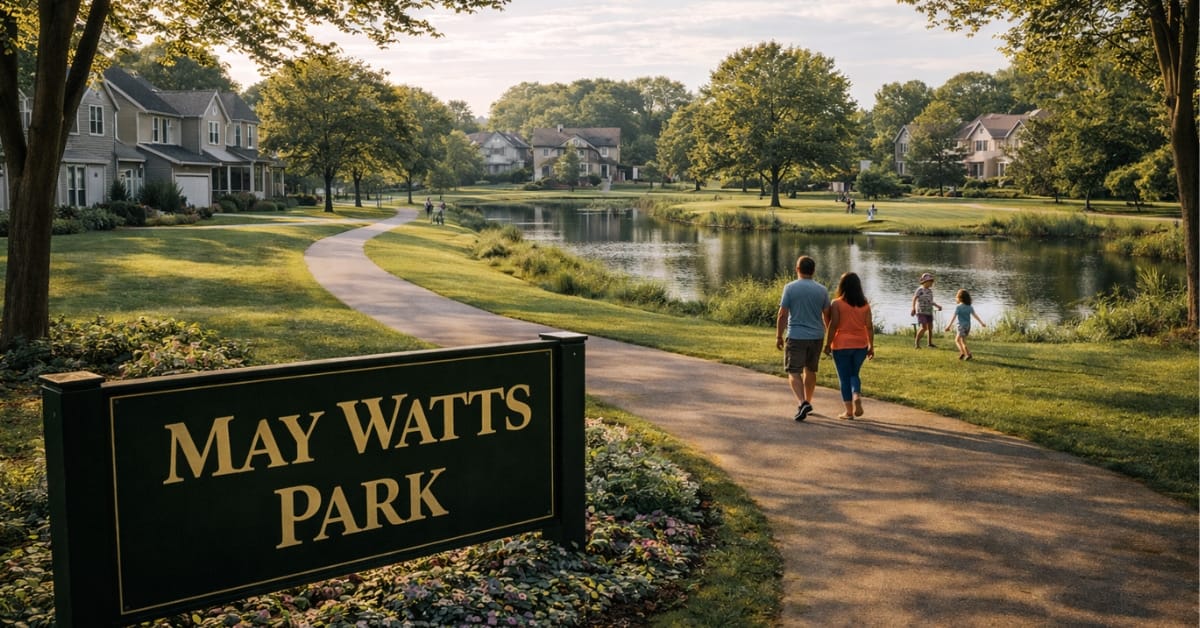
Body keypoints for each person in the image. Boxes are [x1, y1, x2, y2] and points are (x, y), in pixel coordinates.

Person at [776, 256, 831, 422]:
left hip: (796, 335)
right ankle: (808, 401)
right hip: (817, 336)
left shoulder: (790, 288)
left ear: (797, 269)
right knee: (810, 370)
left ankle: (802, 402)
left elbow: (782, 314)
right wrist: (830, 338)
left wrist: (779, 335)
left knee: (793, 371)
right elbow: (827, 315)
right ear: (813, 270)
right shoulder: (822, 290)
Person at [824, 272, 874, 419]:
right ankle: (856, 395)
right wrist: (871, 346)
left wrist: (827, 344)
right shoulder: (865, 303)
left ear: (842, 286)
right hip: (860, 344)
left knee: (844, 378)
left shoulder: (837, 303)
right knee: (854, 374)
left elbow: (834, 325)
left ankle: (849, 412)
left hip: (841, 344)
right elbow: (869, 327)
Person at [946, 289, 986, 360]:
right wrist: (981, 323)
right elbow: (975, 315)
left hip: (961, 326)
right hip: (968, 326)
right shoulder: (970, 307)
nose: (956, 299)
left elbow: (953, 317)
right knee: (958, 340)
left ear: (960, 298)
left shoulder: (958, 307)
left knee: (961, 341)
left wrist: (949, 326)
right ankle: (962, 353)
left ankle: (967, 354)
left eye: (957, 297)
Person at [910, 272, 942, 348]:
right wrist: (913, 308)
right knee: (924, 327)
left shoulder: (930, 291)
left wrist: (937, 306)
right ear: (925, 281)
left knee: (930, 328)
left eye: (932, 282)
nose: (931, 283)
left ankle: (930, 343)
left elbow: (930, 301)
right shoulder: (920, 290)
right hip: (921, 311)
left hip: (929, 311)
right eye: (930, 281)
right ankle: (917, 344)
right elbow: (914, 299)